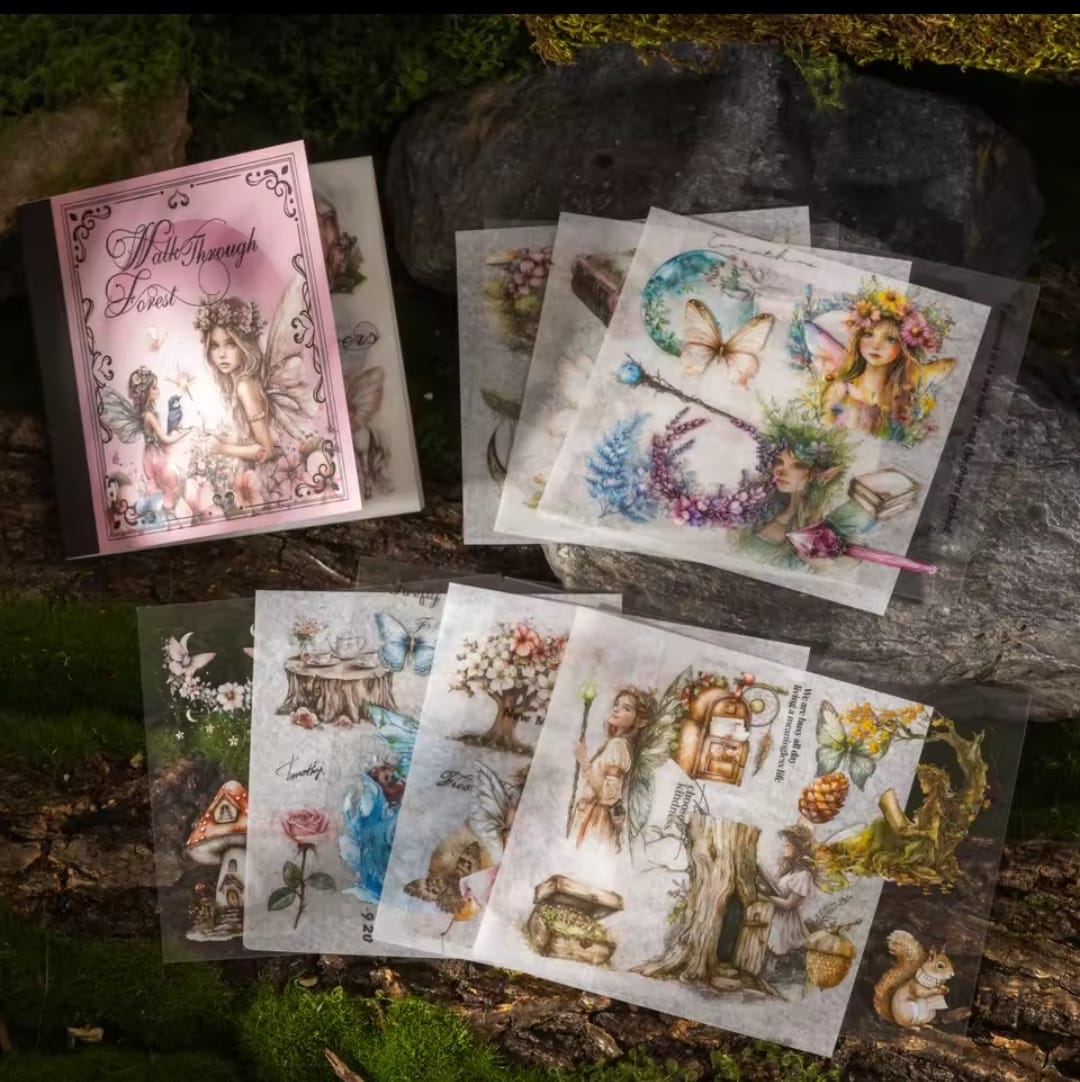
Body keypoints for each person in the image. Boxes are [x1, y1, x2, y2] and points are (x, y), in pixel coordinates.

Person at [820, 288, 955, 441]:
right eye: (869, 334)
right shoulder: (841, 388)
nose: (876, 346)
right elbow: (823, 427)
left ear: (904, 348)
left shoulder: (903, 395)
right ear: (858, 339)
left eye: (890, 339)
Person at [570, 687, 652, 854]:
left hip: (596, 819)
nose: (616, 709)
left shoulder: (618, 745)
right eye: (616, 704)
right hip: (590, 814)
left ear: (639, 721)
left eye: (626, 708)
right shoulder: (614, 742)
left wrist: (584, 761)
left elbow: (609, 794)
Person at [100, 366, 190, 514]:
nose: (158, 390)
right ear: (146, 392)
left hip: (151, 452)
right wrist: (186, 433)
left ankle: (165, 505)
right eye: (154, 388)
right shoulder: (148, 415)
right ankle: (165, 506)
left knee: (165, 480)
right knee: (163, 480)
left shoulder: (147, 413)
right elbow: (165, 439)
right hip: (154, 455)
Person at [762, 823, 818, 980]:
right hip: (775, 915)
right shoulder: (788, 871)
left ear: (798, 849)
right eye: (784, 845)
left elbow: (788, 904)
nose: (783, 848)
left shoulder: (803, 875)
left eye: (788, 845)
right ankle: (768, 972)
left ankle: (774, 972)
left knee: (776, 947)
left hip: (786, 920)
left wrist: (765, 897)